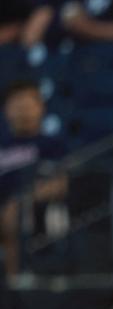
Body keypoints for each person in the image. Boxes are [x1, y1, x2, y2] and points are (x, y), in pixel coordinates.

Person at [0, 80, 68, 276]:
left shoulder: (51, 145)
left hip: (33, 210)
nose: (24, 110)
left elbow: (60, 184)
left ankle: (15, 285)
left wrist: (23, 199)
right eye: (17, 104)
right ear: (6, 110)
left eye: (29, 103)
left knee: (14, 215)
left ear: (41, 108)